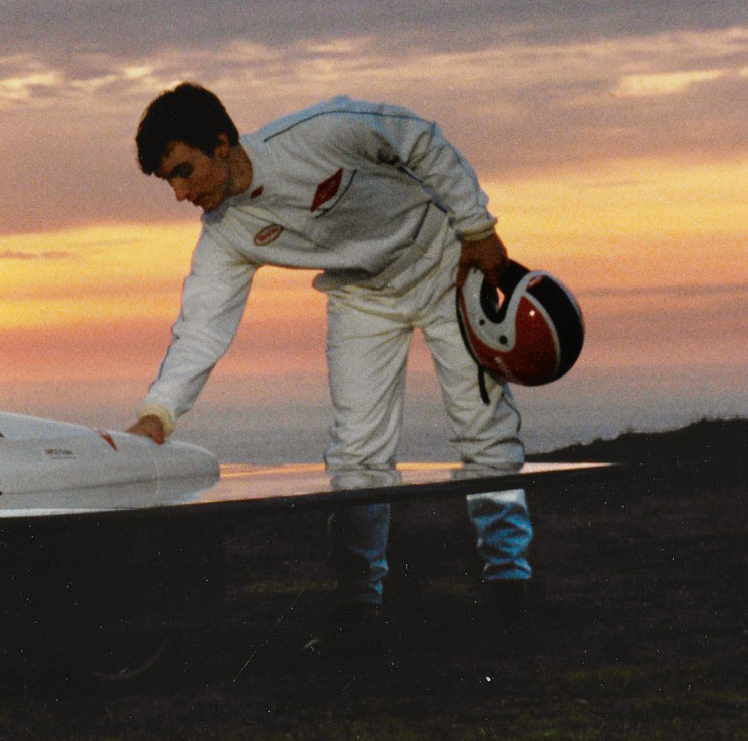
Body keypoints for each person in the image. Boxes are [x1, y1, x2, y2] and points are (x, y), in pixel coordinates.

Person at [125, 83, 533, 645]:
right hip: (362, 297)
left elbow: (420, 139)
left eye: (182, 171)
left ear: (222, 144)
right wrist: (159, 413)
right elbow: (202, 327)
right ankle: (359, 608)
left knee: (482, 429)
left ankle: (511, 584)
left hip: (444, 265)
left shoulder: (322, 131)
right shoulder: (225, 235)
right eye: (168, 179)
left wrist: (477, 228)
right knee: (358, 453)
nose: (178, 193)